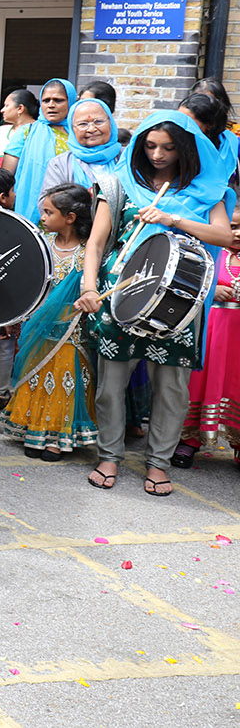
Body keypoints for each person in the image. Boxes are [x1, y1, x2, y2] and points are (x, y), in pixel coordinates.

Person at [76, 110, 236, 495]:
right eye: (150, 146)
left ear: (186, 148)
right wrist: (88, 286)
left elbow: (222, 235)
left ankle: (159, 463)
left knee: (172, 387)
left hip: (182, 301)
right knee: (111, 384)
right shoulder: (118, 185)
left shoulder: (205, 189)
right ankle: (109, 455)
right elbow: (96, 244)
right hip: (122, 293)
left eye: (168, 147)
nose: (158, 154)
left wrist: (173, 218)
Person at [2, 183, 97, 459]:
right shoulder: (41, 246)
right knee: (37, 373)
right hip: (37, 327)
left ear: (70, 217)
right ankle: (33, 428)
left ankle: (57, 436)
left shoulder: (87, 253)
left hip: (72, 330)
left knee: (64, 377)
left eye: (48, 212)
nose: (42, 217)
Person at [175, 202, 240, 465]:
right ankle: (189, 440)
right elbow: (187, 286)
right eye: (233, 226)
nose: (236, 233)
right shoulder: (210, 253)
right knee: (200, 383)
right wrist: (212, 292)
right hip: (210, 334)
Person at [3, 78, 77, 222]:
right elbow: (6, 176)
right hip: (30, 210)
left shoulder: (79, 134)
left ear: (71, 101)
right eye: (46, 100)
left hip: (71, 213)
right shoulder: (27, 132)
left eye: (58, 100)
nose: (51, 105)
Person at [42, 98, 121, 192]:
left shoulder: (128, 157)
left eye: (98, 122)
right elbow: (47, 202)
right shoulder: (60, 164)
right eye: (83, 124)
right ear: (72, 128)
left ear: (111, 123)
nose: (91, 129)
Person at [0, 87, 39, 157]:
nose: (2, 110)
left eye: (7, 105)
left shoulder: (40, 131)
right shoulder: (2, 131)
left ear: (20, 108)